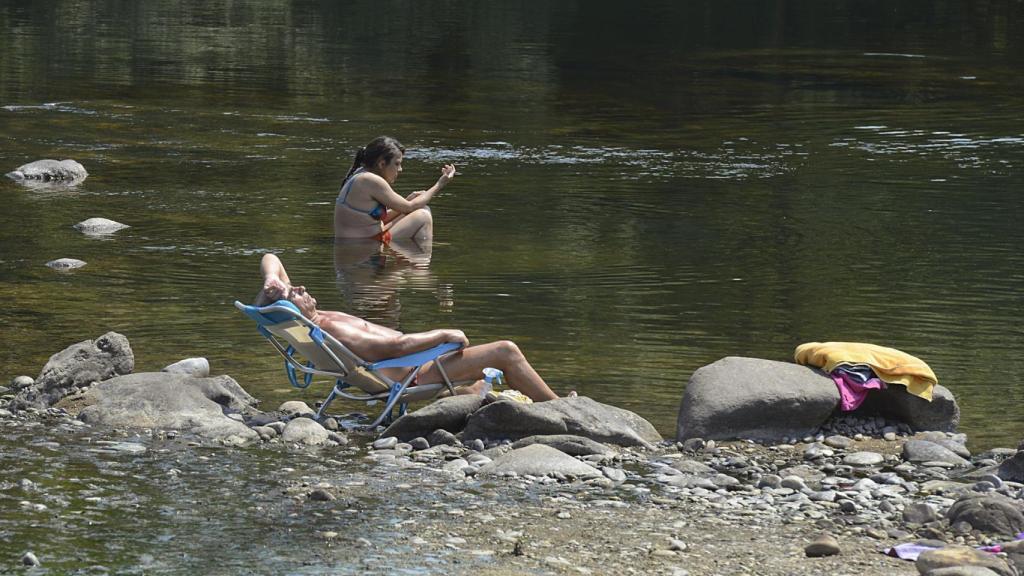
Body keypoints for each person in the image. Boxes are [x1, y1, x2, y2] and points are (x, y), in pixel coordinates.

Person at [254, 253, 561, 402]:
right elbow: (395, 348)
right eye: (296, 293)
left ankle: (471, 394)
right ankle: (558, 409)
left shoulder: (310, 324)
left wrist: (271, 282)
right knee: (505, 351)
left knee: (482, 376)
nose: (300, 287)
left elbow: (272, 258)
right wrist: (444, 334)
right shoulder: (330, 328)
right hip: (413, 372)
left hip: (401, 368)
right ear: (300, 310)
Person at [334, 136, 456, 244]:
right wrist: (439, 184)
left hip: (365, 241)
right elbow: (410, 207)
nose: (400, 169)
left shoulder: (362, 174)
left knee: (423, 208)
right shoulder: (370, 180)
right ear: (382, 164)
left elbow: (377, 219)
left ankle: (410, 263)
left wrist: (407, 200)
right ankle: (421, 264)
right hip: (365, 245)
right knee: (423, 217)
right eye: (397, 164)